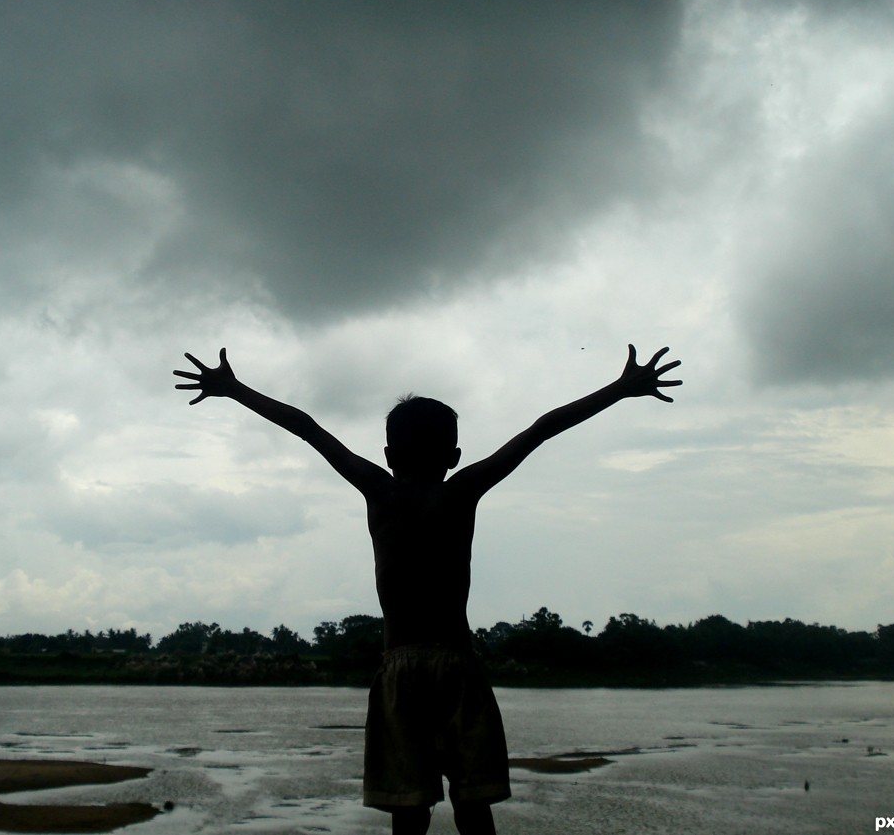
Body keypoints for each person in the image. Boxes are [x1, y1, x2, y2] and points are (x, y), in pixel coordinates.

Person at [173, 344, 682, 834]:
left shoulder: (381, 490)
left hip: (400, 668)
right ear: (455, 454)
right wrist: (618, 389)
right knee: (475, 810)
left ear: (389, 453)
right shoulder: (462, 490)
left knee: (408, 815)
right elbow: (541, 429)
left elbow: (308, 428)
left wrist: (235, 389)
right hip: (458, 665)